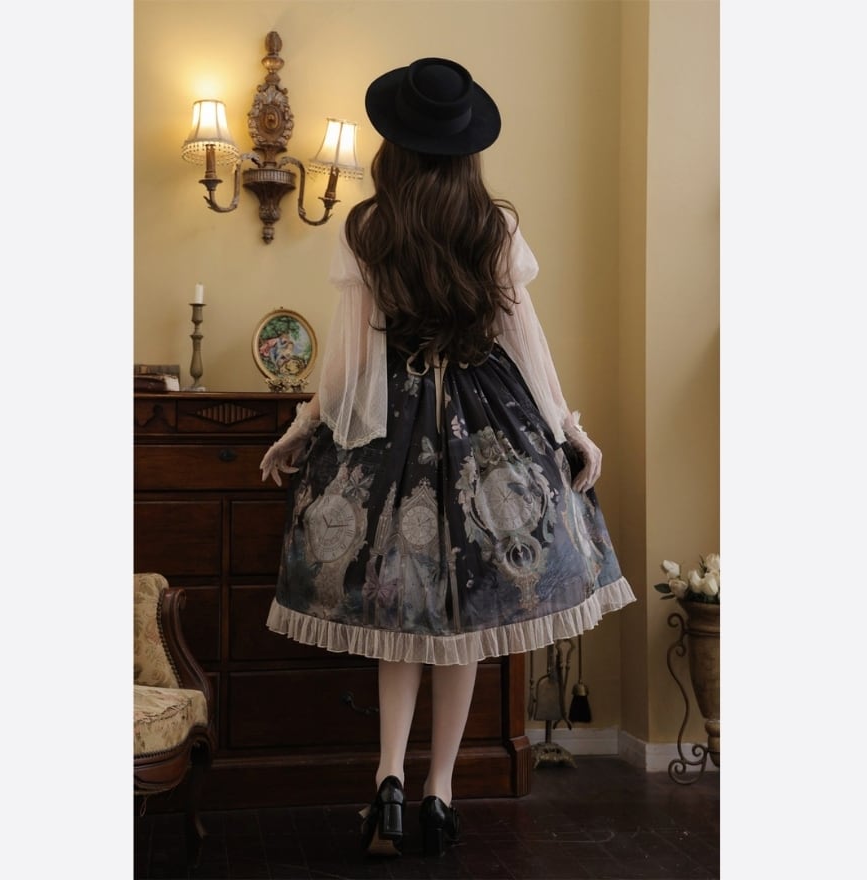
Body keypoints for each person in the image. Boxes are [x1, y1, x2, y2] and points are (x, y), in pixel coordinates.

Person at [260, 57, 636, 858]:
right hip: (486, 427)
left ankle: (388, 781)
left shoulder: (368, 227)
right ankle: (439, 792)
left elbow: (351, 363)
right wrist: (567, 426)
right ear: (467, 147)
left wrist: (303, 425)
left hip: (394, 427)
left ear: (394, 143)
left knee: (399, 619)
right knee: (468, 623)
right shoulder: (493, 226)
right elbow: (524, 344)